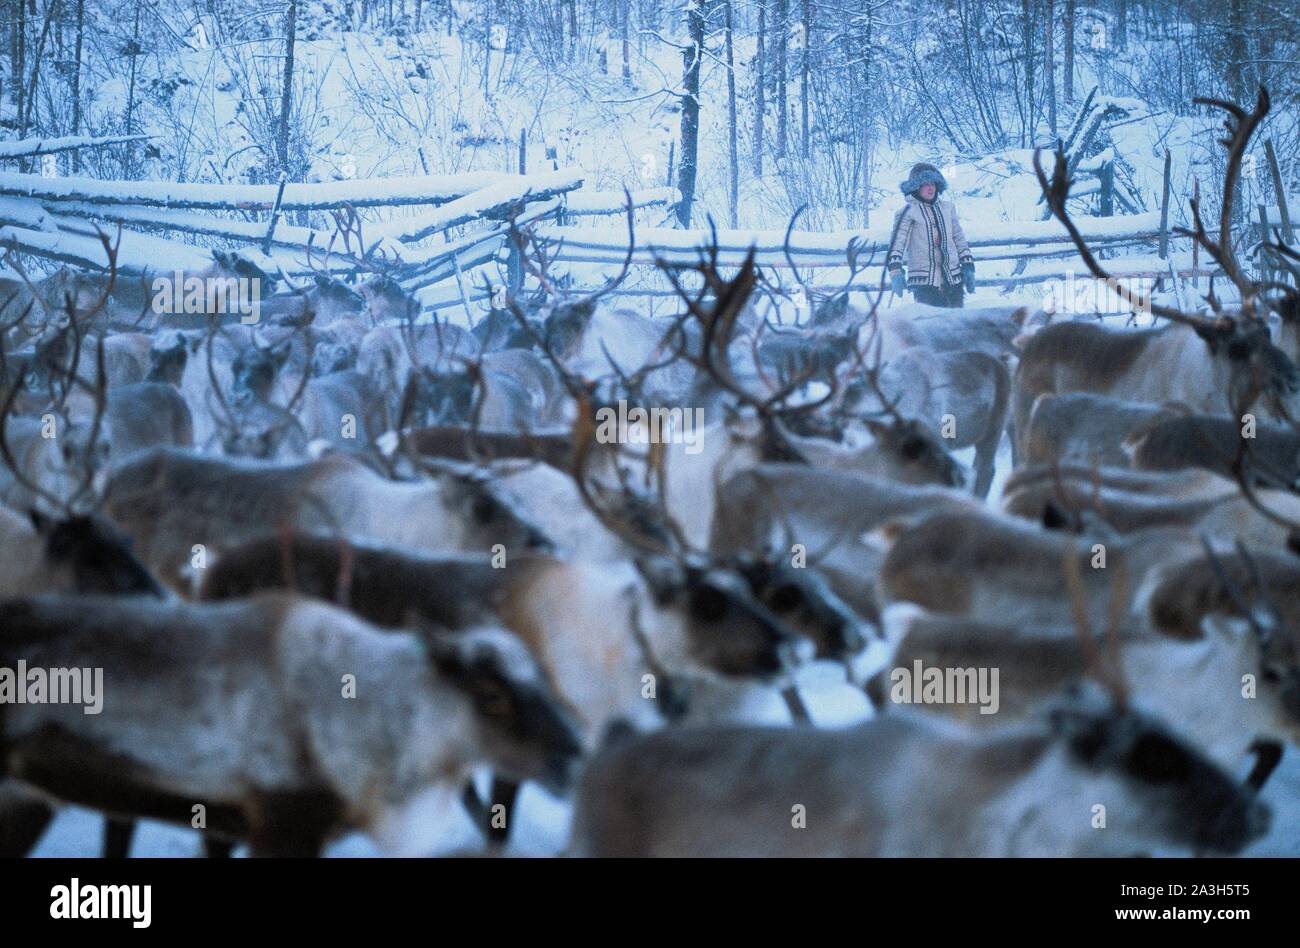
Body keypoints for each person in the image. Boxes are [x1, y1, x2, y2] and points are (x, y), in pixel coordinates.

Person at [886, 162, 975, 308]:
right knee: (931, 326)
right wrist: (895, 270)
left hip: (953, 278)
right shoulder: (907, 212)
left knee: (956, 324)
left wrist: (968, 265)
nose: (930, 187)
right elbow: (898, 241)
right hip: (924, 282)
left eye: (933, 183)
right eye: (925, 183)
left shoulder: (948, 208)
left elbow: (958, 236)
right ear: (916, 187)